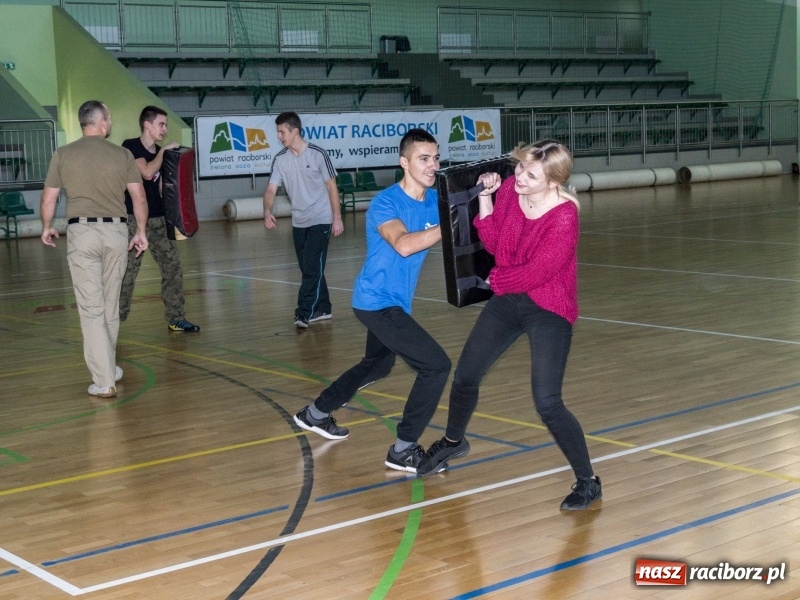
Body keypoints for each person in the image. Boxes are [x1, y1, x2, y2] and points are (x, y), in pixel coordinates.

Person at [417, 140, 602, 511]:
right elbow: (498, 248)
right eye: (519, 167)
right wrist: (487, 198)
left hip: (549, 306)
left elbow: (540, 271)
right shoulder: (508, 193)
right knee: (466, 375)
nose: (518, 176)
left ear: (553, 182)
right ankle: (454, 442)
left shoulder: (564, 216)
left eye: (531, 174)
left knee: (547, 401)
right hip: (510, 299)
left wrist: (496, 283)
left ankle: (588, 481)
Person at [292, 128, 451, 473]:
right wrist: (450, 224)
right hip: (377, 301)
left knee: (377, 365)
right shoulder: (386, 202)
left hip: (394, 302)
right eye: (424, 158)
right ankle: (403, 449)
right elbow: (405, 244)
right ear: (404, 162)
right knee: (436, 366)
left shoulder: (437, 202)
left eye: (436, 158)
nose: (432, 165)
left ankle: (315, 413)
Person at [40, 100, 149, 398]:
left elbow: (48, 199)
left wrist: (47, 226)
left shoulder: (63, 154)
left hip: (81, 233)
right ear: (101, 123)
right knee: (109, 306)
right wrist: (140, 232)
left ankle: (104, 380)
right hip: (116, 231)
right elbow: (139, 198)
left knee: (91, 309)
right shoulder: (122, 154)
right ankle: (108, 368)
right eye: (109, 118)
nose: (110, 123)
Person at [119, 105, 200, 333]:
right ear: (147, 124)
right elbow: (145, 172)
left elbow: (164, 188)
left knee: (173, 268)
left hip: (159, 220)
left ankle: (176, 318)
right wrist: (164, 154)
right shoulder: (130, 146)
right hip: (134, 221)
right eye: (161, 124)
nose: (165, 129)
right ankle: (113, 321)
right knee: (127, 274)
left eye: (166, 125)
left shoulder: (163, 153)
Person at [262, 111, 344, 328]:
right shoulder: (280, 159)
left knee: (311, 268)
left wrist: (337, 218)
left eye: (282, 132)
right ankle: (323, 308)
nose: (279, 136)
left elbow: (332, 187)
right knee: (310, 267)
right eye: (278, 132)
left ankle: (303, 313)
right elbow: (271, 189)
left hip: (321, 219)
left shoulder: (318, 154)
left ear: (294, 131)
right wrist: (267, 210)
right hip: (299, 222)